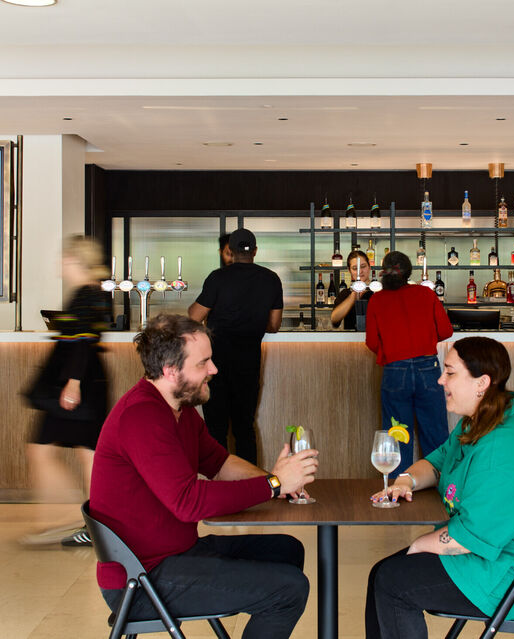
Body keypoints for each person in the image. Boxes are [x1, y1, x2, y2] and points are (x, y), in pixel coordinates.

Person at [90, 314, 317, 639]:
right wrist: (273, 484)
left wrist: (277, 482)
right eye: (203, 363)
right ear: (170, 370)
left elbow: (219, 462)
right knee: (289, 589)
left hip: (175, 553)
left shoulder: (179, 410)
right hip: (141, 579)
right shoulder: (141, 417)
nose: (214, 370)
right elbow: (188, 502)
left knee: (287, 549)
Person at [365, 336, 514, 639]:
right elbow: (435, 464)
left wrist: (418, 546)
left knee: (391, 582)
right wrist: (405, 481)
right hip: (500, 557)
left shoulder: (502, 451)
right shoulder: (479, 423)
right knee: (383, 573)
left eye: (449, 372)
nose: (439, 380)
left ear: (482, 382)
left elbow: (468, 540)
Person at [20, 236, 112, 548]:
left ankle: (71, 521)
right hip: (84, 385)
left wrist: (73, 383)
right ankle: (88, 522)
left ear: (77, 261)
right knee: (86, 455)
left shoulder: (87, 294)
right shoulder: (89, 293)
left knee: (45, 450)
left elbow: (84, 340)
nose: (60, 263)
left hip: (76, 387)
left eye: (65, 258)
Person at [188, 228, 282, 464]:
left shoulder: (218, 278)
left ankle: (216, 489)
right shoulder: (271, 279)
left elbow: (194, 317)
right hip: (249, 364)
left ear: (230, 251)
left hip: (214, 366)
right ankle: (250, 487)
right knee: (244, 428)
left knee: (216, 428)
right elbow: (273, 325)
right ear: (255, 251)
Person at [365, 251, 453, 475]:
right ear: (409, 273)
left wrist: (393, 351)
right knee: (435, 433)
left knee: (396, 435)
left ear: (383, 272)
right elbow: (446, 330)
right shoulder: (425, 294)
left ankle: (397, 490)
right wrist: (425, 340)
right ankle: (443, 490)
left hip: (395, 371)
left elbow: (372, 342)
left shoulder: (376, 300)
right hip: (428, 368)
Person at [331, 249, 373, 331]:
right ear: (349, 270)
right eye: (355, 268)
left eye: (363, 266)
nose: (360, 271)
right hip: (352, 341)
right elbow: (334, 320)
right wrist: (353, 295)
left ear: (369, 267)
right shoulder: (345, 294)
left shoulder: (378, 292)